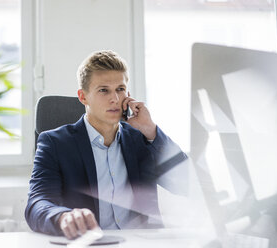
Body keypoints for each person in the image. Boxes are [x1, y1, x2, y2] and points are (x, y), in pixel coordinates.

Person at [25, 50, 188, 239]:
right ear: (83, 97)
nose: (115, 99)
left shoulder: (142, 140)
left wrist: (150, 130)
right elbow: (37, 203)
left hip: (142, 244)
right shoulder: (55, 143)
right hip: (93, 243)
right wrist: (62, 217)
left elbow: (188, 184)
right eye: (104, 90)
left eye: (120, 89)